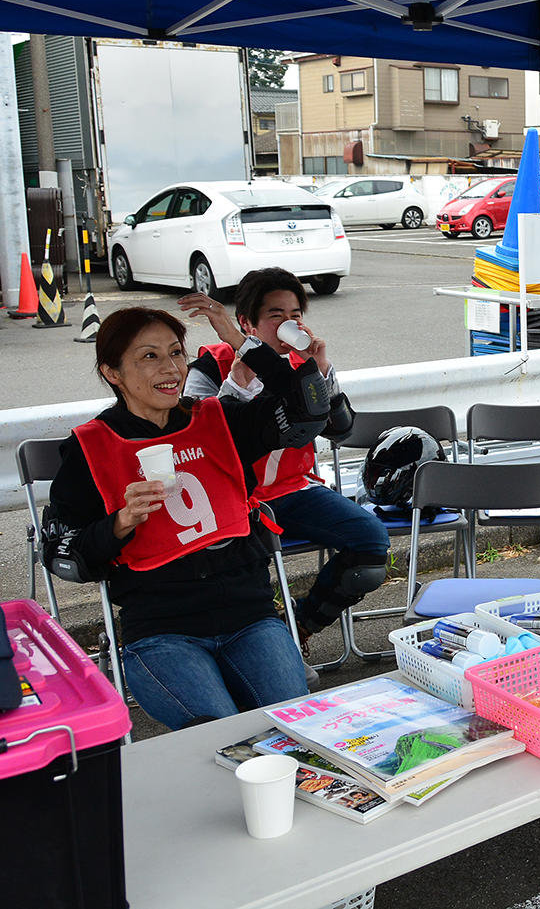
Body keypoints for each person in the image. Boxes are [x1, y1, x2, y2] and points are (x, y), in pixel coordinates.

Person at [42, 306, 336, 730]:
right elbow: (64, 556)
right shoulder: (90, 448)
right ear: (113, 373)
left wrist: (241, 342)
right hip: (162, 632)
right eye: (149, 356)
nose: (170, 368)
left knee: (295, 729)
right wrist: (120, 522)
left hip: (249, 617)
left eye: (176, 352)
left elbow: (308, 408)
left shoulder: (218, 418)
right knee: (219, 738)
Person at [181, 269, 387, 653]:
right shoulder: (212, 366)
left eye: (295, 314)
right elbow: (197, 440)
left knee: (371, 543)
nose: (289, 323)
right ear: (246, 323)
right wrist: (238, 385)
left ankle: (299, 627)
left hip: (294, 490)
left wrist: (320, 370)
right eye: (276, 315)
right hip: (236, 498)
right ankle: (259, 646)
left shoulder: (301, 367)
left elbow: (340, 431)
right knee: (242, 573)